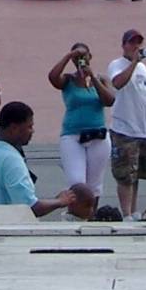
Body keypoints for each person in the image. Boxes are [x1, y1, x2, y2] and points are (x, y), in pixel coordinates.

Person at [0, 102, 88, 218]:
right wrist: (60, 201)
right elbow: (31, 208)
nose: (32, 131)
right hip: (3, 228)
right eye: (29, 126)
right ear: (14, 128)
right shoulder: (11, 160)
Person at [47, 43, 116, 205]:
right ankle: (76, 214)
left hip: (97, 135)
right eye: (77, 58)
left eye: (84, 57)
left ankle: (92, 215)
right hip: (73, 136)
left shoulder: (101, 79)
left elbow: (109, 100)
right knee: (77, 182)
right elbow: (52, 77)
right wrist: (68, 56)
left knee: (94, 185)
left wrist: (92, 77)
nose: (81, 61)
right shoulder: (68, 80)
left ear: (90, 57)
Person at [106, 30, 146, 217]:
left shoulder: (143, 69)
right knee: (125, 175)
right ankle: (126, 213)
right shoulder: (116, 65)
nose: (136, 47)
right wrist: (134, 62)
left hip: (143, 130)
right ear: (124, 45)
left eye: (138, 43)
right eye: (131, 43)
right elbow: (118, 83)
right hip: (124, 130)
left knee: (136, 174)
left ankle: (134, 210)